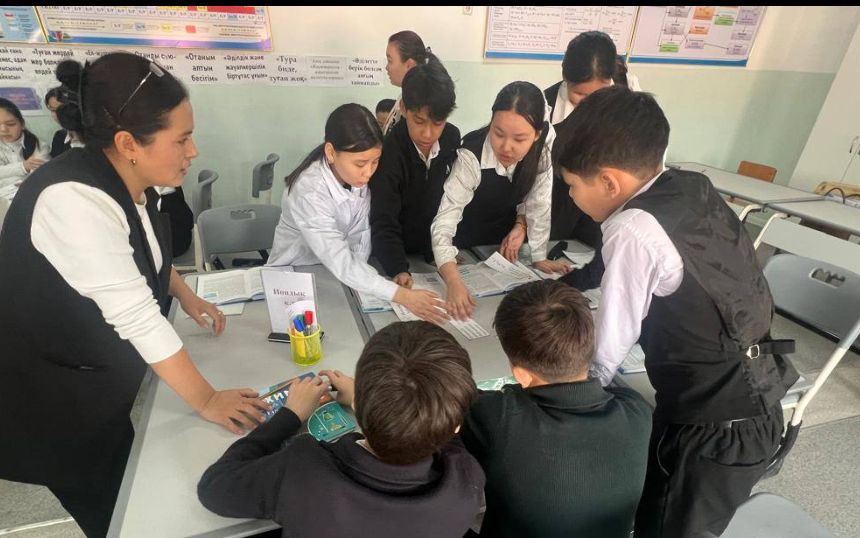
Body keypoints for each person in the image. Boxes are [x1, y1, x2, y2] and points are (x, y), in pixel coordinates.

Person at [0, 53, 270, 538]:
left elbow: (139, 252)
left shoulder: (129, 179)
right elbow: (138, 317)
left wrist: (185, 294)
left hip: (93, 381)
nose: (193, 151)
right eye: (182, 139)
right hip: (50, 403)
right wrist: (208, 399)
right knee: (118, 515)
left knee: (132, 477)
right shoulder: (72, 200)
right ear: (128, 143)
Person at [557, 86, 799, 538]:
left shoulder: (631, 227)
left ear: (609, 182)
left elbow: (609, 347)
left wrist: (564, 403)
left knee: (666, 526)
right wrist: (568, 284)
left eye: (571, 185)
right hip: (758, 402)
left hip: (712, 431)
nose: (570, 196)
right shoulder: (690, 186)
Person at [198, 321, 485, 538]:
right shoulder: (467, 482)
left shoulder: (302, 471)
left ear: (356, 403)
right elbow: (448, 430)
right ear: (456, 426)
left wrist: (290, 415)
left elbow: (214, 488)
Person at [267, 103, 448, 324]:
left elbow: (361, 236)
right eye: (360, 163)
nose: (369, 172)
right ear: (331, 152)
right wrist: (398, 295)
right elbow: (337, 256)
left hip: (338, 276)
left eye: (375, 161)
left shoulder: (353, 178)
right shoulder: (309, 190)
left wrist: (380, 278)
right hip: (297, 276)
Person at [431, 81, 570, 321]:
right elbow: (444, 222)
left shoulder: (543, 148)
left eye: (519, 139)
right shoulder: (471, 155)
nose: (506, 147)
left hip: (501, 250)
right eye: (498, 133)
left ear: (537, 135)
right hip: (465, 244)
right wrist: (453, 282)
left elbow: (539, 201)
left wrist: (538, 255)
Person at [370, 57, 459, 284]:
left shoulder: (451, 138)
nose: (428, 134)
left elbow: (447, 201)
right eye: (419, 121)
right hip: (394, 253)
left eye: (438, 123)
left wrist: (439, 251)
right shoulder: (389, 151)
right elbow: (383, 219)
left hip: (432, 253)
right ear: (403, 108)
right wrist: (397, 268)